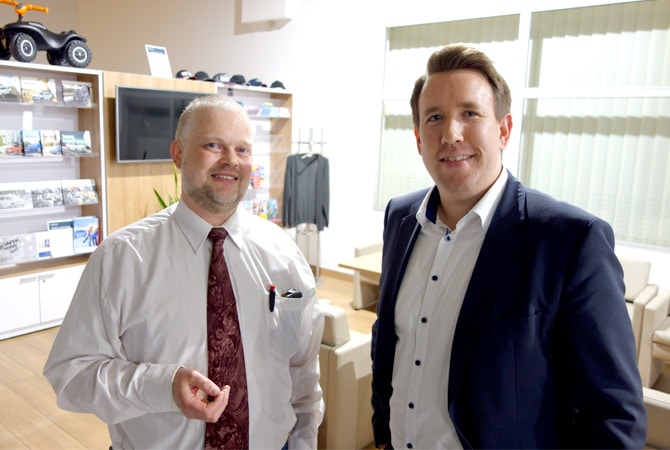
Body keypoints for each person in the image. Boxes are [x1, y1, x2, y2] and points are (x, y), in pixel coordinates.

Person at [370, 43, 647, 449]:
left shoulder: (569, 240)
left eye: (470, 113)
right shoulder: (400, 217)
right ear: (417, 138)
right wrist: (382, 429)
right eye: (435, 117)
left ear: (503, 129)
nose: (450, 134)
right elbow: (389, 335)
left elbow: (613, 416)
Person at [44, 95, 324, 449]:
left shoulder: (284, 254)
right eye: (213, 145)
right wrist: (162, 387)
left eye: (242, 149)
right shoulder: (121, 259)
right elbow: (71, 376)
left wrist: (303, 443)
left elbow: (303, 372)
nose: (231, 160)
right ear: (178, 154)